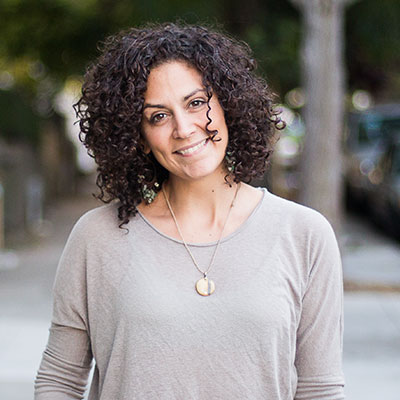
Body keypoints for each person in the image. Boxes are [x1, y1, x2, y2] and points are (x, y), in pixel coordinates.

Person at [34, 22, 345, 399]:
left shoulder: (305, 234)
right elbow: (60, 381)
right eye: (158, 116)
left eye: (196, 103)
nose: (183, 128)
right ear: (139, 137)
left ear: (228, 105)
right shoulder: (96, 237)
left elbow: (320, 389)